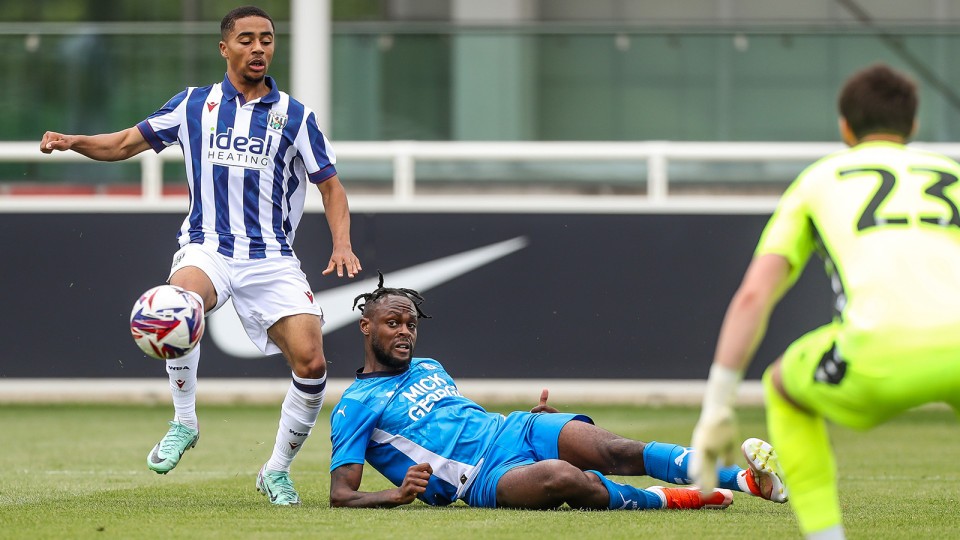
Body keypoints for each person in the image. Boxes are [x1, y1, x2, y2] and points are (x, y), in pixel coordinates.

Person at [40, 5, 361, 506]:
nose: (259, 48)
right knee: (178, 304)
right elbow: (124, 143)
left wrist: (342, 242)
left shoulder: (295, 115)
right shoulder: (194, 104)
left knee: (313, 362)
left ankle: (276, 470)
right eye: (247, 39)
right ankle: (184, 421)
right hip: (207, 245)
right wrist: (75, 141)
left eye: (267, 38)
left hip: (271, 257)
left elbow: (331, 187)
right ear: (224, 48)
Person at [690, 63, 960, 540]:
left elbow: (755, 294)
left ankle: (826, 534)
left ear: (845, 128)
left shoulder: (819, 179)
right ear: (913, 125)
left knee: (783, 387)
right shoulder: (952, 171)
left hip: (878, 351)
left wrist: (717, 406)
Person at [328, 275, 787, 510]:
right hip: (485, 478)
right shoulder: (354, 406)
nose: (405, 332)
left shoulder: (429, 366)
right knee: (564, 477)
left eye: (411, 324)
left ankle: (746, 480)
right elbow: (341, 495)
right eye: (393, 323)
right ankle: (673, 498)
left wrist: (539, 419)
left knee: (616, 449)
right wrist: (396, 495)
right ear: (366, 327)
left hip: (515, 428)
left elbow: (458, 420)